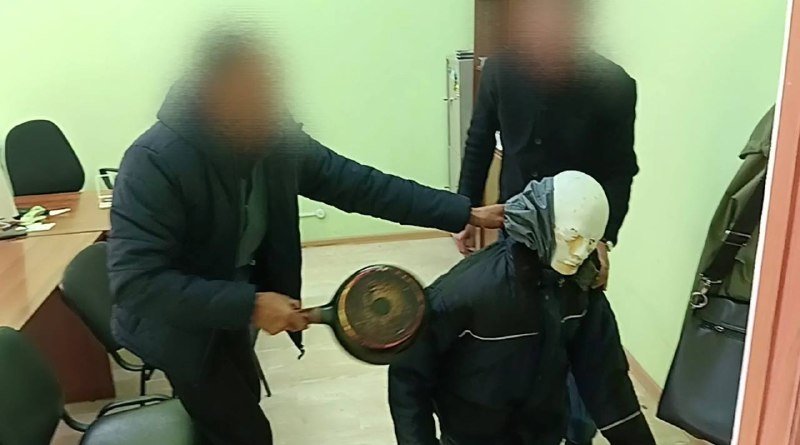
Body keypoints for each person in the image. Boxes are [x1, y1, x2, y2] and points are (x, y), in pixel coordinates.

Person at [106, 29, 504, 445]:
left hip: (227, 302)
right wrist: (249, 304)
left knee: (236, 406)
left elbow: (358, 185)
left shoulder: (272, 139)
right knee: (242, 431)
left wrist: (463, 212)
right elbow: (136, 284)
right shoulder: (154, 161)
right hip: (176, 322)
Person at [454, 1, 639, 443]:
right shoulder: (500, 70)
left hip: (579, 240)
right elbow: (479, 139)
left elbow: (619, 171)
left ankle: (576, 434)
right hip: (516, 230)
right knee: (514, 332)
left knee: (577, 340)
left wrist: (603, 239)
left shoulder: (613, 84)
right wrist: (464, 209)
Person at [389, 175, 655, 445]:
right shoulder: (465, 292)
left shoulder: (581, 292)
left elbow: (607, 380)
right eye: (572, 238)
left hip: (544, 434)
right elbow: (409, 377)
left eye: (590, 243)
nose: (579, 254)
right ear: (542, 224)